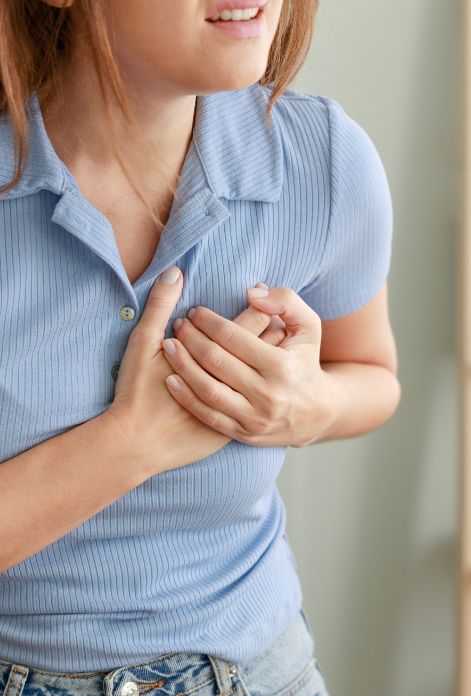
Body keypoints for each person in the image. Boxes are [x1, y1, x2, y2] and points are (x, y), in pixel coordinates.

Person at [0, 1, 400, 695]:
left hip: (264, 672)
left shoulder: (322, 159)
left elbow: (371, 375)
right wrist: (132, 442)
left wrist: (308, 406)